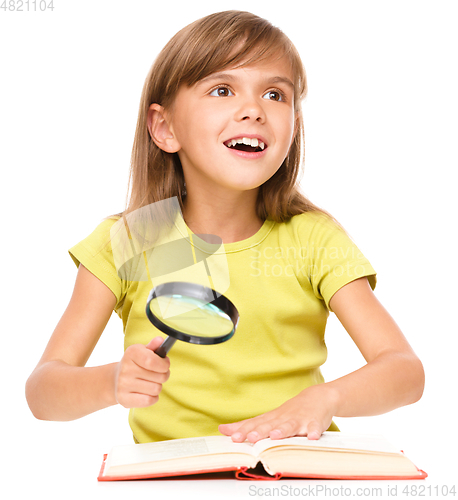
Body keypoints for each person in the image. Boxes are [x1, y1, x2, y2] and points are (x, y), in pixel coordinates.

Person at [26, 10, 424, 445]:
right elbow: (43, 393)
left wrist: (325, 399)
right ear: (164, 127)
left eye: (275, 94)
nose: (253, 110)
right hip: (172, 480)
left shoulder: (314, 239)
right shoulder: (126, 242)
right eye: (222, 89)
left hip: (294, 473)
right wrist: (111, 381)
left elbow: (404, 370)